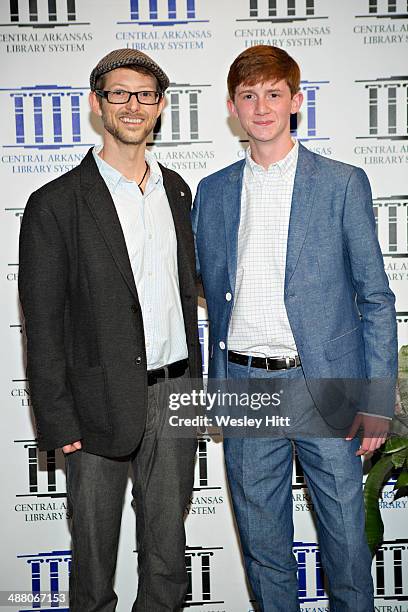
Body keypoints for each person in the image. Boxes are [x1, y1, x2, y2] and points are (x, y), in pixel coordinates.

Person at [192, 45, 397, 611]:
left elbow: (376, 299)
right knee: (264, 552)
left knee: (347, 549)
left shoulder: (341, 184)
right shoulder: (212, 192)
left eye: (274, 94)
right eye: (249, 96)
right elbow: (205, 283)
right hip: (242, 386)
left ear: (296, 101)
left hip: (324, 385)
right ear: (233, 107)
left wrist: (377, 402)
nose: (262, 107)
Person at [19, 48, 201, 612]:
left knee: (168, 555)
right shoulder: (55, 203)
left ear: (160, 107)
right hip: (93, 405)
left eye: (144, 95)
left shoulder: (177, 192)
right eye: (118, 94)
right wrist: (56, 416)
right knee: (94, 562)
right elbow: (42, 322)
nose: (132, 105)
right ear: (97, 104)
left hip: (175, 394)